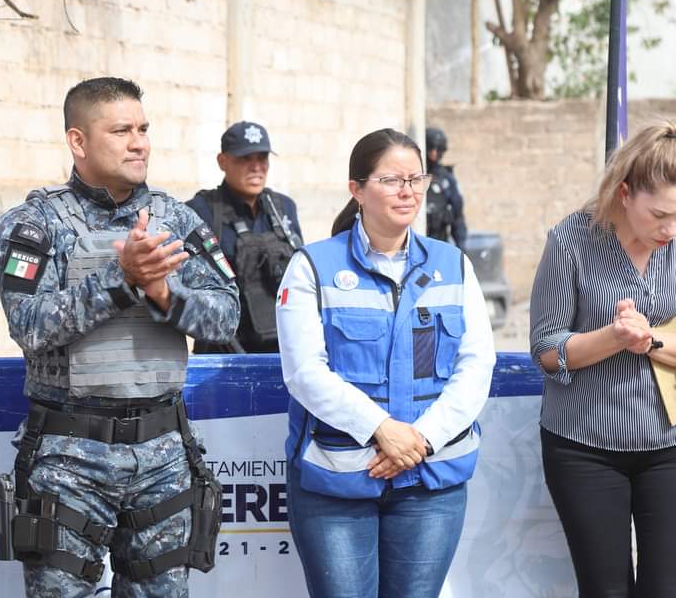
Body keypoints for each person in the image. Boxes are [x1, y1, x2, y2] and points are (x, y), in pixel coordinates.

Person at [0, 77, 239, 597]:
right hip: (68, 457)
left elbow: (227, 317)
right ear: (78, 141)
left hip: (164, 454)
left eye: (144, 129)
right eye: (121, 130)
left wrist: (165, 295)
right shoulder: (34, 224)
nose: (139, 142)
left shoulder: (178, 220)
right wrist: (120, 280)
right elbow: (29, 326)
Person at [276, 128, 495, 598]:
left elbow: (476, 364)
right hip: (338, 482)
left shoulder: (452, 264)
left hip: (430, 481)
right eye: (392, 179)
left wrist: (421, 439)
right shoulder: (312, 266)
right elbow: (304, 372)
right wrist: (381, 429)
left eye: (416, 179)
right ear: (356, 189)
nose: (407, 191)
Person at [530, 121, 676, 597]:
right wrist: (614, 336)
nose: (669, 230)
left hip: (668, 443)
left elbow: (653, 340)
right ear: (624, 193)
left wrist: (648, 339)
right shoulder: (570, 240)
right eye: (658, 215)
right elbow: (546, 350)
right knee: (605, 589)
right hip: (584, 447)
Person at [187, 121, 303, 354]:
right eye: (244, 159)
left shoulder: (283, 209)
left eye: (262, 158)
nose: (256, 167)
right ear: (222, 161)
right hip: (223, 353)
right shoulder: (200, 211)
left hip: (282, 350)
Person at [425, 127, 467, 247]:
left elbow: (458, 217)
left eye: (438, 149)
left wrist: (461, 248)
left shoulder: (447, 179)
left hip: (439, 241)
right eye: (431, 148)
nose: (434, 153)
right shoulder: (416, 175)